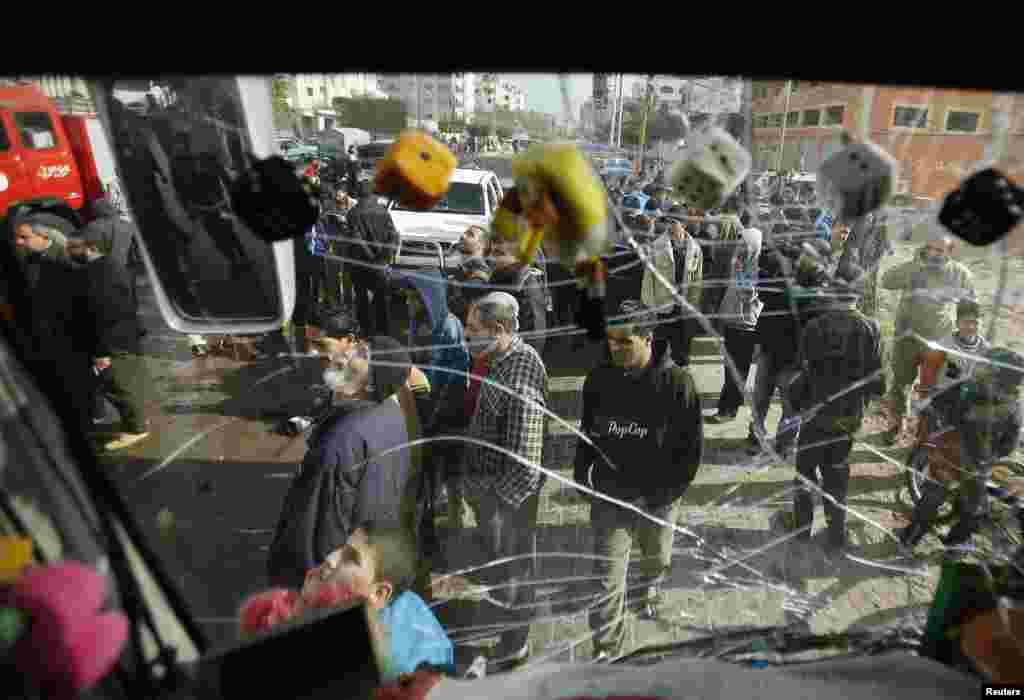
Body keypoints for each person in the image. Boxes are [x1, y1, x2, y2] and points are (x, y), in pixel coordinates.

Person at [574, 300, 704, 661]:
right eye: (611, 342)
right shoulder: (598, 379)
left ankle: (647, 589)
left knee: (657, 557)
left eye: (624, 343)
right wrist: (580, 474)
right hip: (611, 494)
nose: (615, 349)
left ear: (648, 339)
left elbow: (691, 451)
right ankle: (608, 651)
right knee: (607, 576)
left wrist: (665, 494)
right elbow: (586, 432)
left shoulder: (678, 383)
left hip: (659, 498)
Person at [266, 336, 425, 591]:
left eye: (361, 354)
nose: (345, 352)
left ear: (370, 386)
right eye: (356, 345)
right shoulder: (389, 411)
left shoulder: (340, 445)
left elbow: (315, 535)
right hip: (365, 561)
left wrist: (298, 590)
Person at [460, 292, 547, 672]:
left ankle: (513, 646)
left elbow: (526, 462)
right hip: (493, 495)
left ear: (497, 330)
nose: (465, 337)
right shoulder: (499, 359)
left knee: (512, 571)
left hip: (507, 501)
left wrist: (494, 508)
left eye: (471, 330)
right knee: (504, 568)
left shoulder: (521, 371)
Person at [246, 523, 455, 682]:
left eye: (351, 558)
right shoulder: (401, 603)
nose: (330, 558)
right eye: (341, 549)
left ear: (380, 593)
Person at [785, 262, 885, 559]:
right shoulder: (871, 327)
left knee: (805, 472)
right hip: (848, 416)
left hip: (815, 414)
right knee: (837, 474)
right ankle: (836, 535)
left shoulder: (815, 326)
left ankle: (802, 530)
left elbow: (802, 369)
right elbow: (877, 382)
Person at [897, 346, 1024, 552]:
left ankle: (908, 540)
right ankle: (955, 546)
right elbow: (1008, 446)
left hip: (949, 454)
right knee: (973, 508)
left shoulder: (968, 388)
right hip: (979, 463)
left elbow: (936, 404)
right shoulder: (1014, 406)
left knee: (932, 498)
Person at [880, 232, 976, 445]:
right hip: (906, 339)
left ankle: (923, 437)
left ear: (950, 252)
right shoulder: (913, 267)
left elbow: (970, 307)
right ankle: (896, 425)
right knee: (900, 385)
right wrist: (914, 266)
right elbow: (886, 281)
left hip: (937, 342)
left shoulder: (960, 274)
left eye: (939, 250)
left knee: (932, 391)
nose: (932, 253)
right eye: (930, 248)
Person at [66, 231, 150, 452]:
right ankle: (136, 423)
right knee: (124, 383)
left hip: (112, 342)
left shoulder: (94, 275)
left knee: (116, 385)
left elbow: (102, 314)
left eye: (72, 248)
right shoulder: (115, 265)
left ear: (90, 247)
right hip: (126, 336)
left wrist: (101, 351)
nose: (69, 253)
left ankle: (135, 429)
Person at [747, 240, 803, 455]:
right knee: (761, 397)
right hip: (769, 349)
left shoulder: (804, 285)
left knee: (791, 405)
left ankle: (784, 444)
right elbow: (762, 290)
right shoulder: (771, 278)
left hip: (794, 354)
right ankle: (756, 436)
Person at [706, 227, 764, 424]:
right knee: (730, 369)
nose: (741, 247)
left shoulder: (755, 267)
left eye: (745, 244)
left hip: (745, 326)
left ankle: (728, 410)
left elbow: (746, 295)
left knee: (737, 371)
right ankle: (727, 406)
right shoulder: (742, 263)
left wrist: (739, 270)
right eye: (740, 243)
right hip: (733, 323)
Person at [346, 180, 400, 337]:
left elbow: (356, 239)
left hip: (360, 263)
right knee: (381, 297)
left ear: (358, 195)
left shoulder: (353, 213)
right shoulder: (383, 211)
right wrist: (385, 257)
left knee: (361, 298)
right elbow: (393, 236)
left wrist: (370, 257)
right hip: (380, 263)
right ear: (373, 194)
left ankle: (365, 331)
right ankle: (383, 331)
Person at [652, 219, 704, 368]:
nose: (670, 225)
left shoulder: (695, 248)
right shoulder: (658, 246)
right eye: (668, 222)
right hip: (663, 305)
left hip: (683, 306)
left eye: (674, 222)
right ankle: (654, 382)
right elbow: (650, 278)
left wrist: (693, 304)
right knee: (658, 349)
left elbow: (697, 280)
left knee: (682, 351)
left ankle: (681, 383)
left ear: (684, 225)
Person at [486, 236, 548, 357]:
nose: (492, 257)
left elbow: (534, 333)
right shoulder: (500, 279)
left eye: (499, 253)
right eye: (495, 242)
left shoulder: (524, 285)